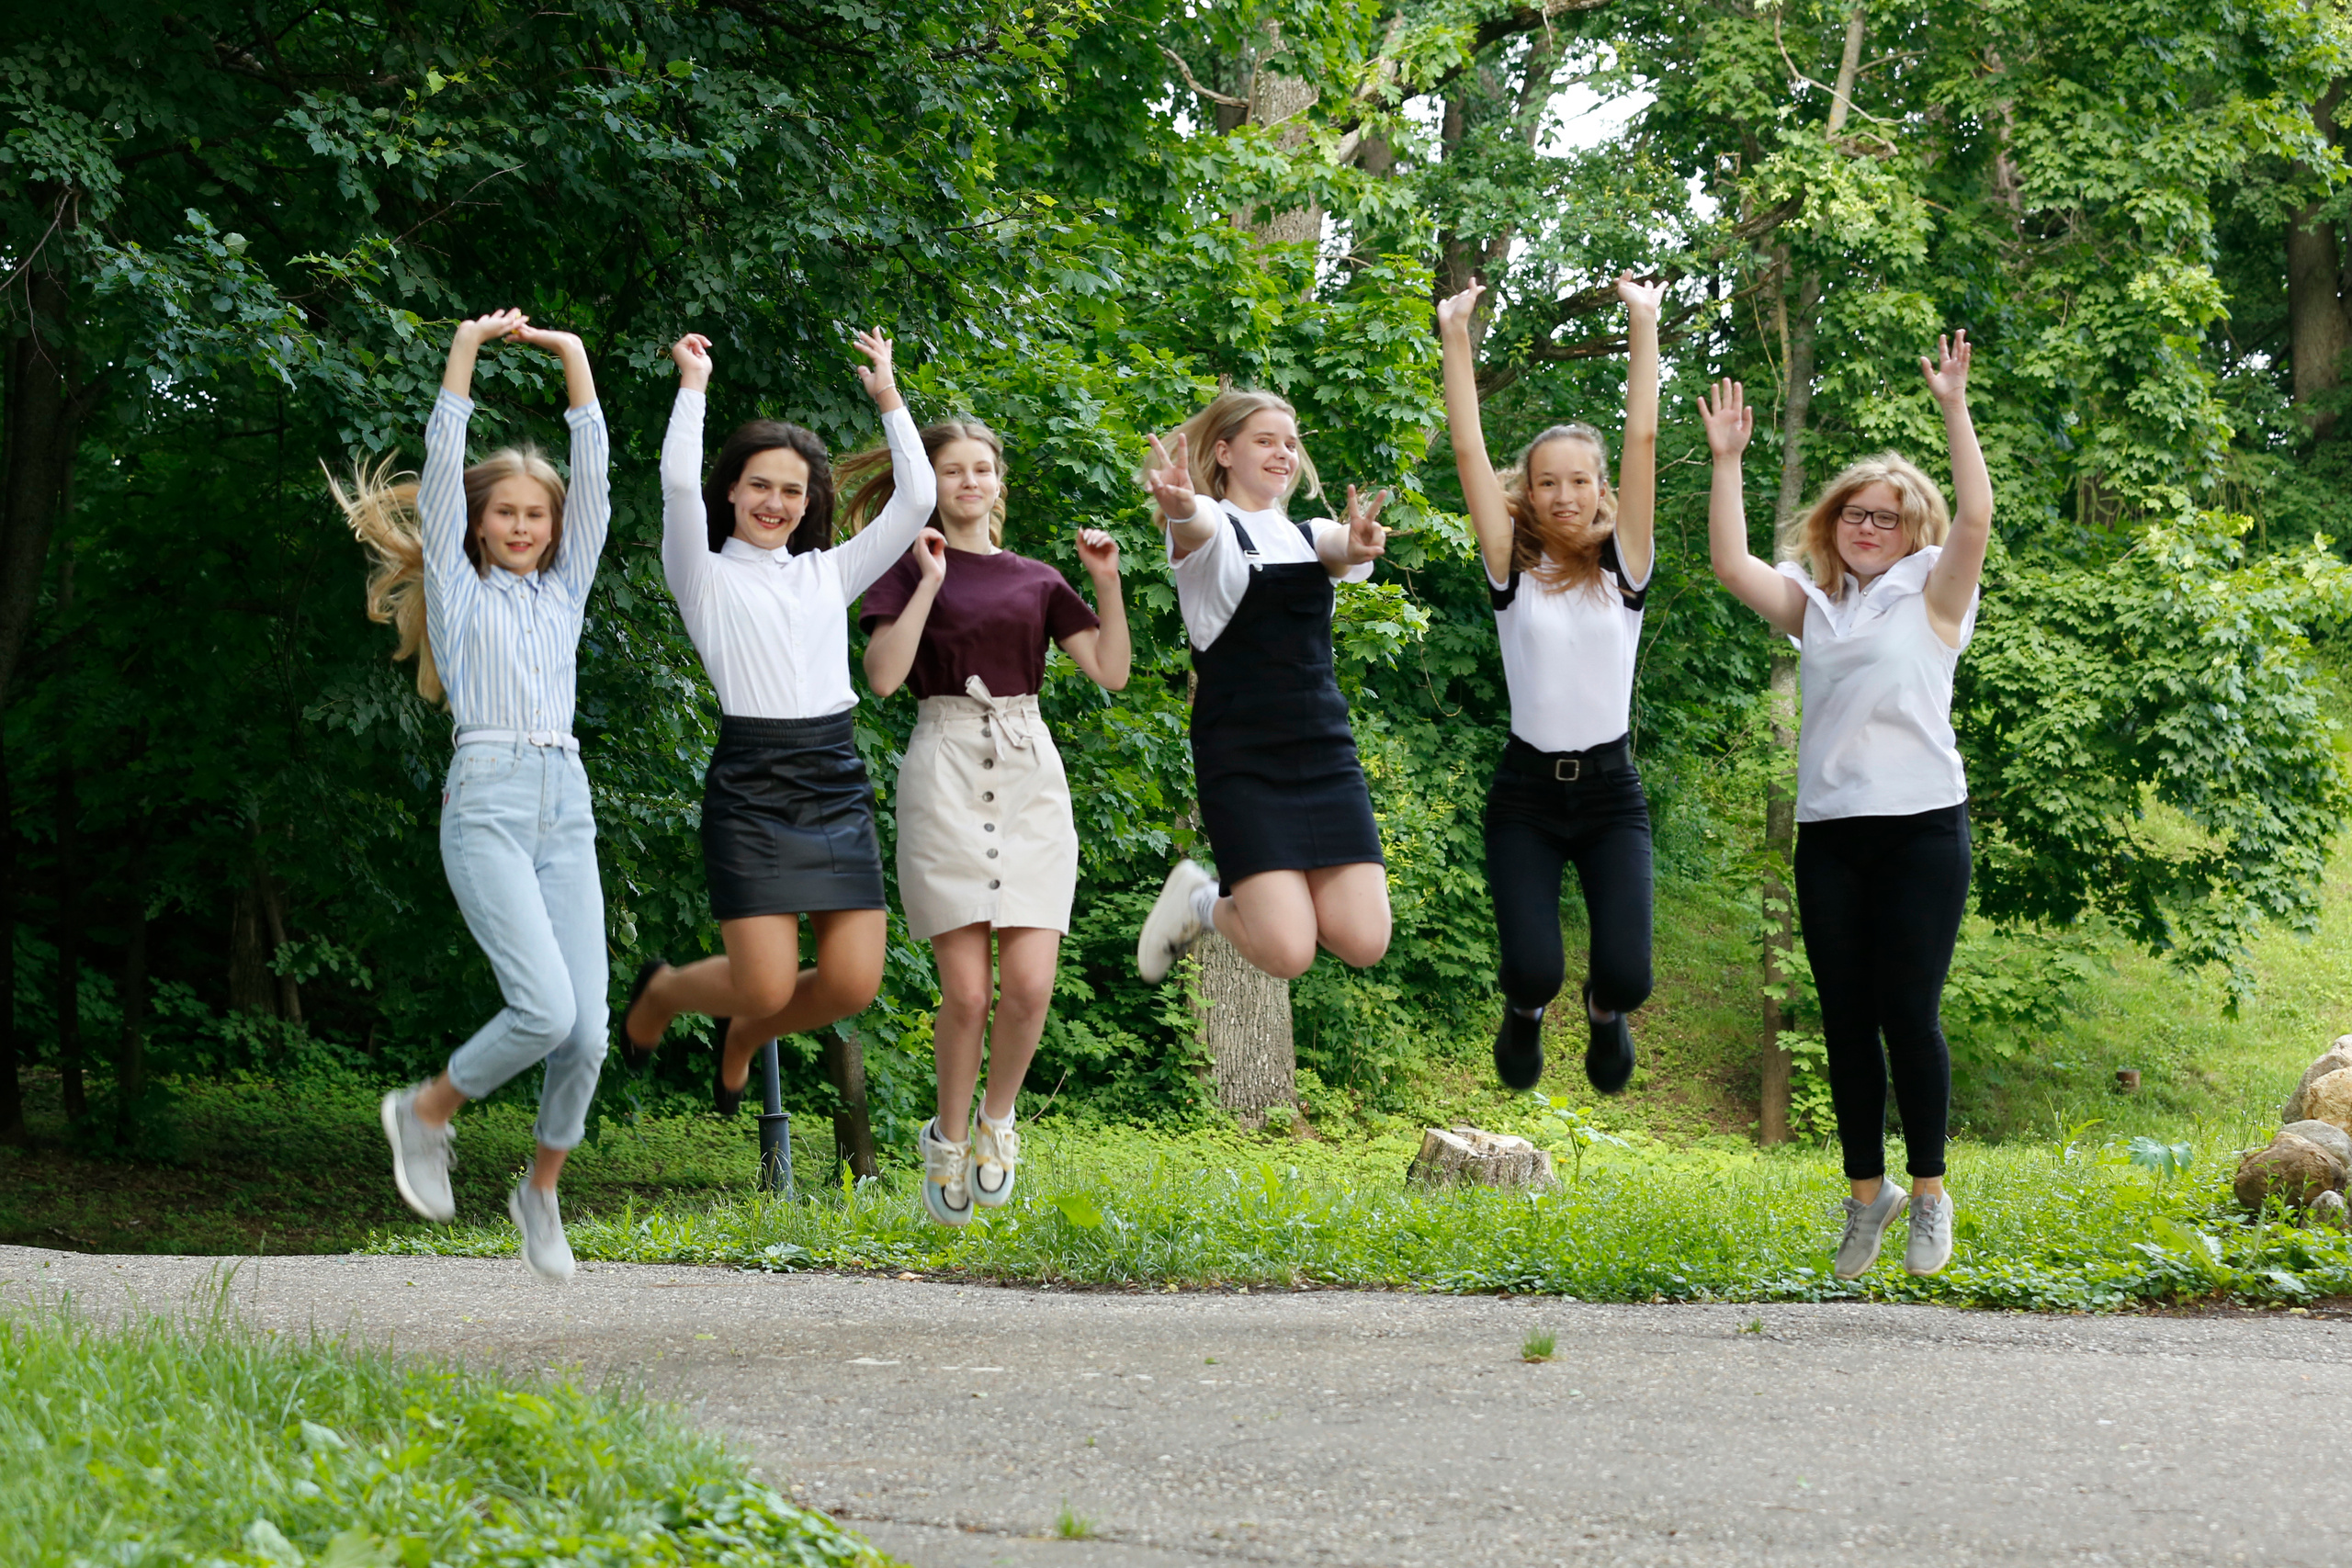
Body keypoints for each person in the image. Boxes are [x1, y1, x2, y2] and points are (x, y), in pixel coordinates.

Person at [1697, 333, 1991, 1280]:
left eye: (1889, 518)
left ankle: (1932, 1194)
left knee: (1908, 1009)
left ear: (1913, 532)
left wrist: (1953, 407)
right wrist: (1728, 462)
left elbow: (1977, 517)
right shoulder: (1816, 603)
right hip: (1830, 836)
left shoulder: (1933, 594)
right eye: (1856, 514)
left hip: (1921, 830)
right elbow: (1730, 563)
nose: (1870, 527)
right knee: (1842, 1015)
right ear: (1833, 522)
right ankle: (1868, 1198)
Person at [336, 308, 611, 1282]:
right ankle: (424, 1112)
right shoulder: (458, 587)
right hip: (489, 799)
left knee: (588, 1030)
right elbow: (443, 448)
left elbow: (601, 488)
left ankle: (539, 1189)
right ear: (480, 522)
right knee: (541, 1010)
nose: (524, 526)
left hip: (565, 803)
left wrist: (571, 358)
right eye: (507, 513)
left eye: (538, 515)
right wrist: (466, 348)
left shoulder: (564, 591)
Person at [617, 330, 935, 1112]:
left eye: (791, 491)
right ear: (731, 489)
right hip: (753, 780)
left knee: (853, 982)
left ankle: (749, 1035)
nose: (774, 503)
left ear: (809, 502)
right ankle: (661, 992)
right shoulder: (702, 574)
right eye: (759, 485)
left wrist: (888, 395)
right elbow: (673, 486)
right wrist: (693, 386)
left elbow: (918, 498)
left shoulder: (830, 571)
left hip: (833, 774)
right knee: (759, 983)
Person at [843, 421, 1131, 1225]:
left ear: (1000, 483)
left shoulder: (1037, 579)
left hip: (1028, 766)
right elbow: (885, 679)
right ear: (930, 483)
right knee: (966, 995)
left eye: (983, 468)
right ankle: (946, 1134)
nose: (970, 480)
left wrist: (1105, 582)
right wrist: (930, 581)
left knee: (1031, 985)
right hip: (944, 766)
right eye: (952, 469)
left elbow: (1111, 670)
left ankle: (996, 1122)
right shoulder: (904, 570)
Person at [1437, 273, 1664, 1096]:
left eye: (1579, 481)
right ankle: (1526, 1012)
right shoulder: (1512, 568)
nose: (1564, 496)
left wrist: (1644, 323)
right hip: (1526, 795)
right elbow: (1467, 451)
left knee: (1628, 976)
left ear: (1601, 489)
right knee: (1531, 969)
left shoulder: (1625, 568)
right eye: (1546, 482)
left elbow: (1640, 440)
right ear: (1527, 493)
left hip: (1612, 794)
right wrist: (1456, 336)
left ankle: (1607, 1019)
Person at [1130, 390, 1393, 985]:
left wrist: (1357, 544)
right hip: (1243, 758)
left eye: (1291, 443)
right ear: (1222, 452)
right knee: (1288, 952)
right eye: (1265, 440)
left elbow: (1343, 547)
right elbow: (1194, 524)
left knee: (1365, 940)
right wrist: (1179, 504)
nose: (1283, 453)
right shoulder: (1210, 531)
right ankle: (1201, 900)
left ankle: (1221, 895)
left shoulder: (1310, 534)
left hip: (1324, 751)